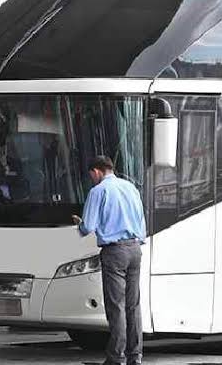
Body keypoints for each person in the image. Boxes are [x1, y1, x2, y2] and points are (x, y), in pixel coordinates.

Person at [78, 156, 146, 365]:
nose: (92, 179)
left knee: (116, 306)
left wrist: (80, 225)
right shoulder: (130, 188)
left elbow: (88, 227)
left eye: (91, 175)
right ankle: (136, 356)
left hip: (115, 252)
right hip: (135, 248)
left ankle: (117, 357)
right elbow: (141, 220)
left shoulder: (98, 191)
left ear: (96, 171)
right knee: (133, 305)